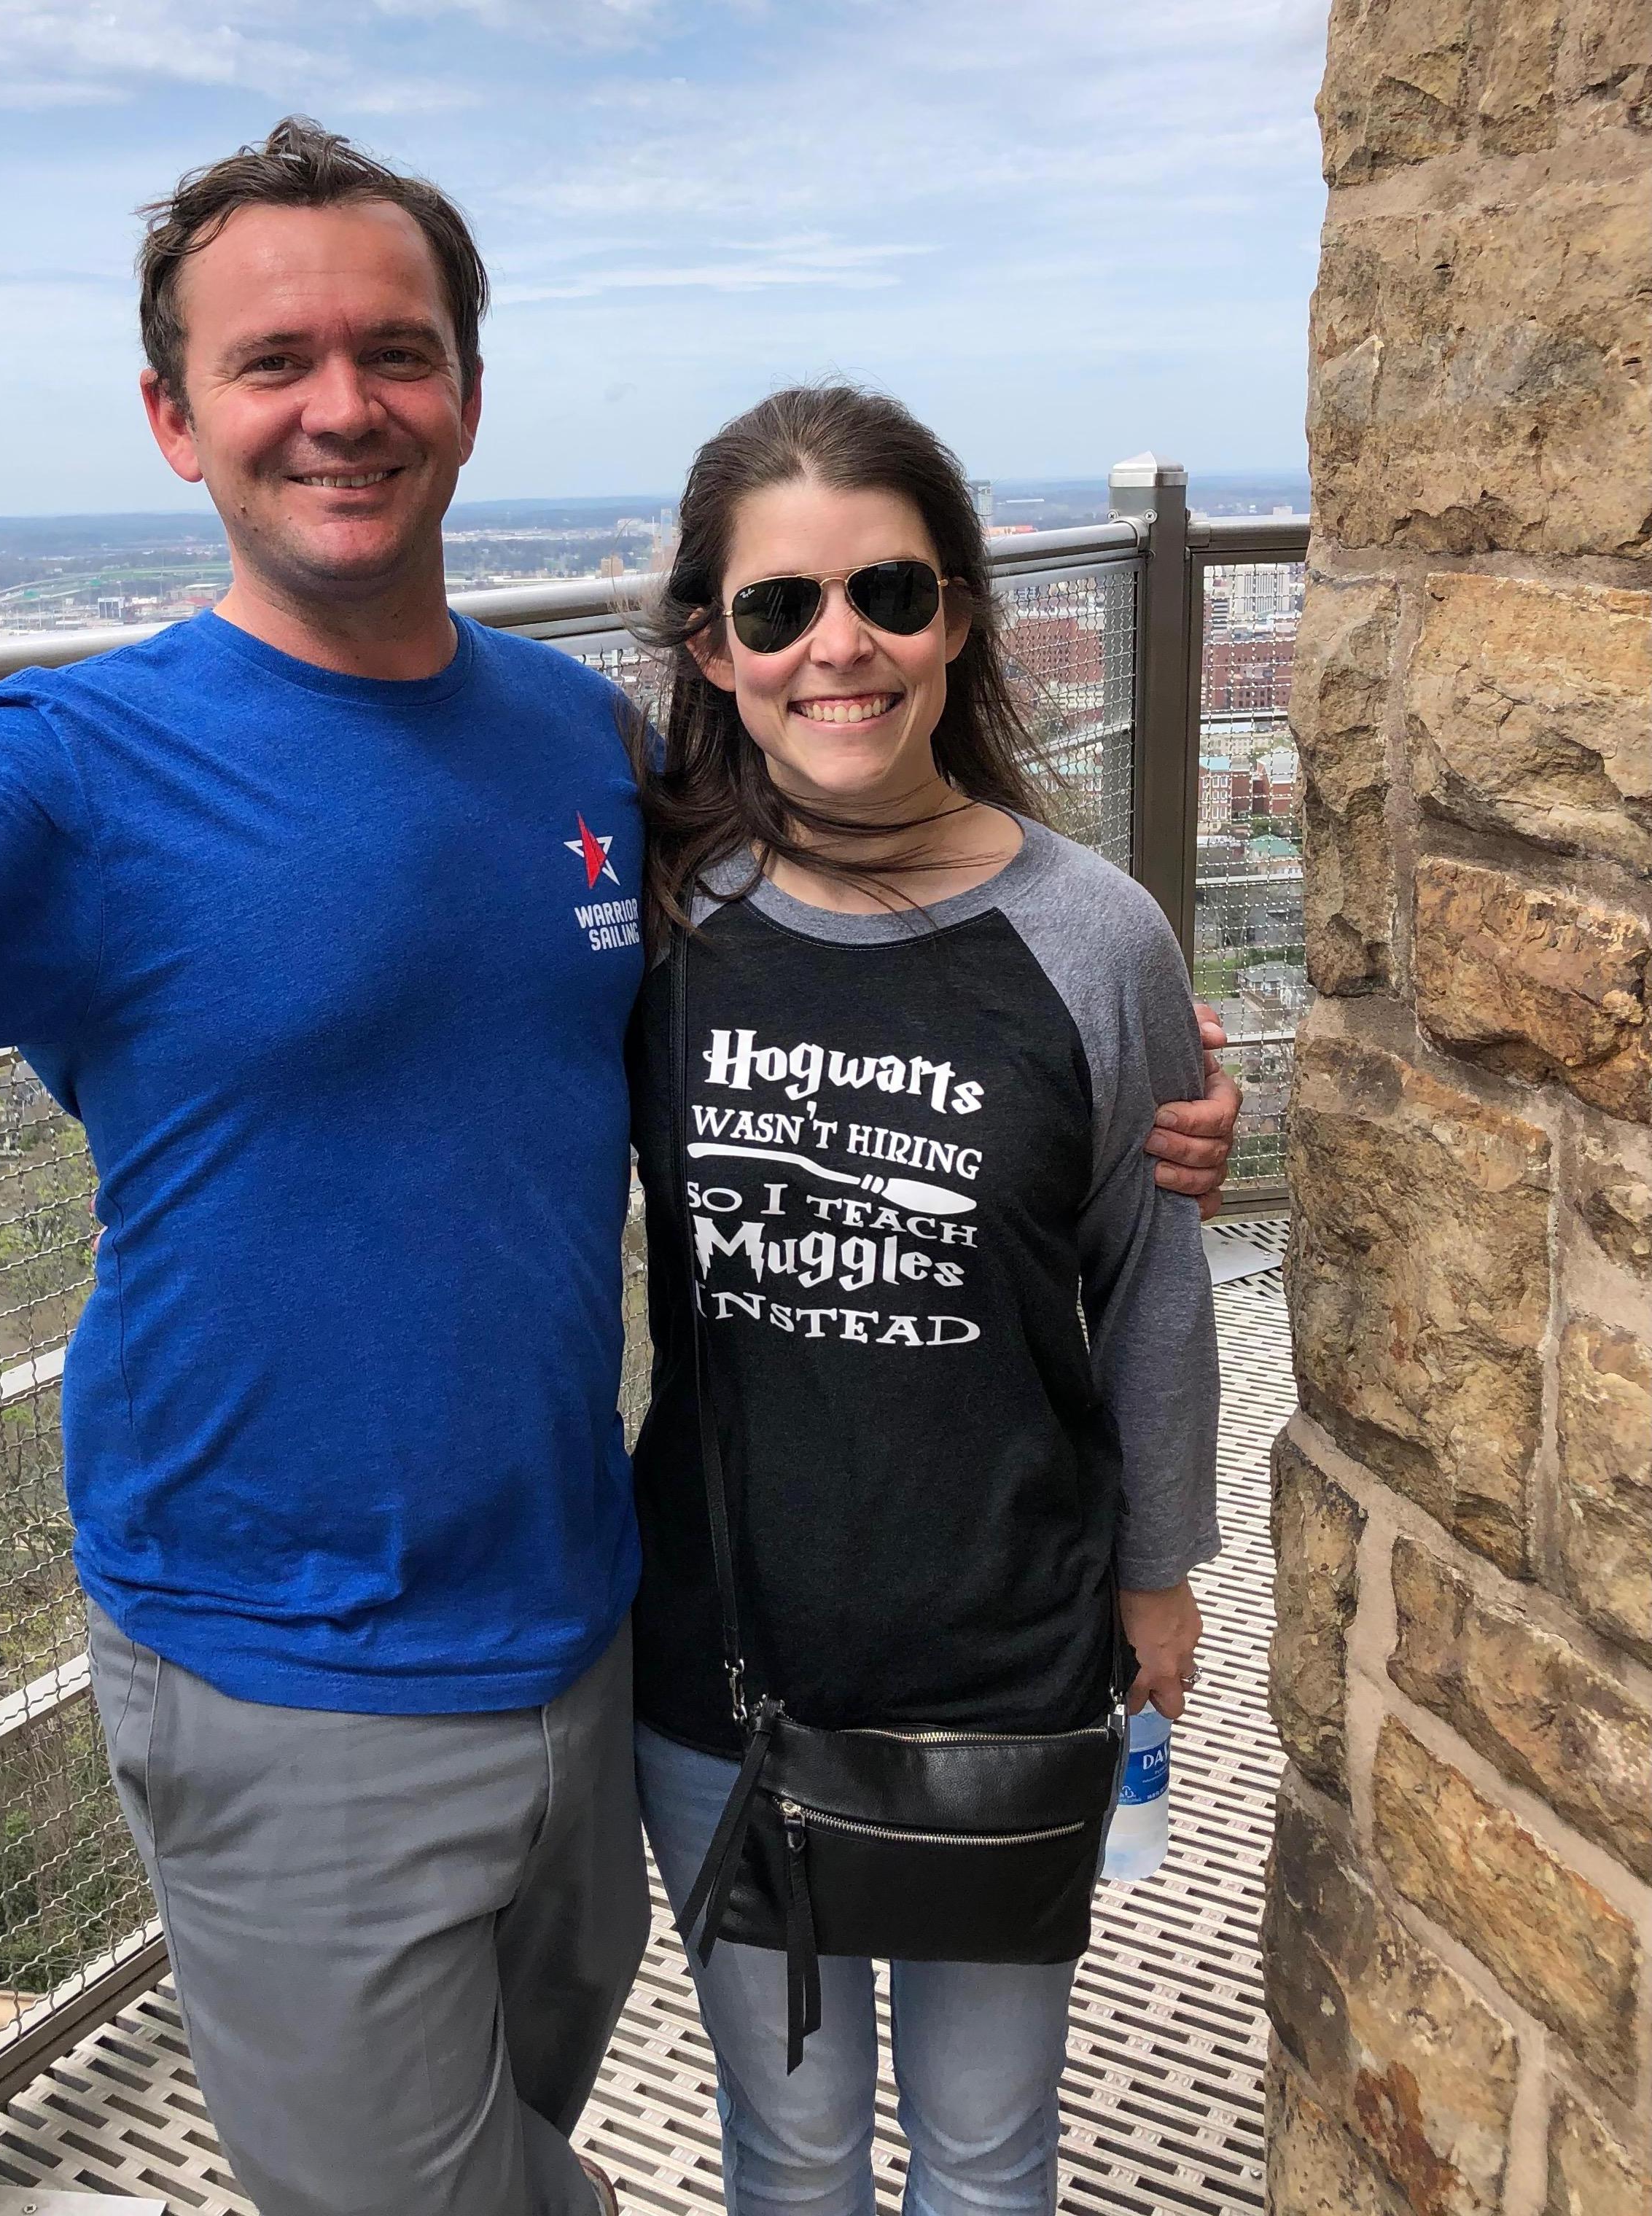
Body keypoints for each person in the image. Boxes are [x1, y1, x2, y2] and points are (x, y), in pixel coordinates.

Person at [0, 123, 1239, 2216]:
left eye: (395, 350)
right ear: (171, 415)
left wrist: (1138, 1095)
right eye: (273, 359)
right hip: (283, 1678)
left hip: (592, 1640)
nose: (342, 405)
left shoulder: (583, 752)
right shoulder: (72, 766)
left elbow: (864, 958)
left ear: (466, 392)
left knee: (540, 2137)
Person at [623, 385, 1220, 2216]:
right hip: (726, 1650)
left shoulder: (1091, 934)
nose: (837, 648)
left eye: (885, 591)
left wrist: (1158, 1573)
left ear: (956, 611)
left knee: (985, 2149)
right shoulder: (660, 922)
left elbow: (1144, 1277)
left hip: (1002, 1648)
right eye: (774, 608)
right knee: (786, 2152)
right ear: (710, 650)